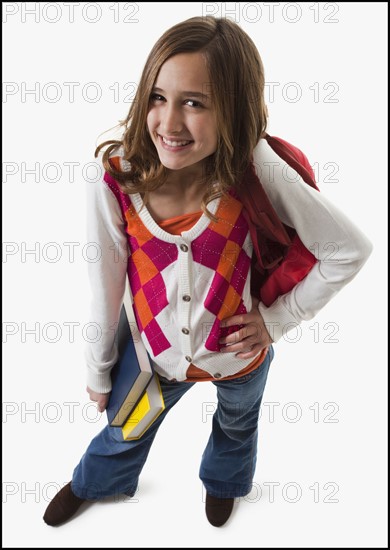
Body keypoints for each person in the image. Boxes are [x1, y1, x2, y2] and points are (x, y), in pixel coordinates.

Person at [43, 15, 372, 528]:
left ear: (234, 110)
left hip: (238, 357)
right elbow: (103, 289)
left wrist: (279, 320)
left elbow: (348, 249)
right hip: (156, 355)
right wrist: (97, 368)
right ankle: (96, 482)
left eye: (195, 103)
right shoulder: (116, 180)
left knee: (238, 425)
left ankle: (224, 484)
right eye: (158, 97)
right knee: (127, 427)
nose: (170, 124)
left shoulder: (254, 166)